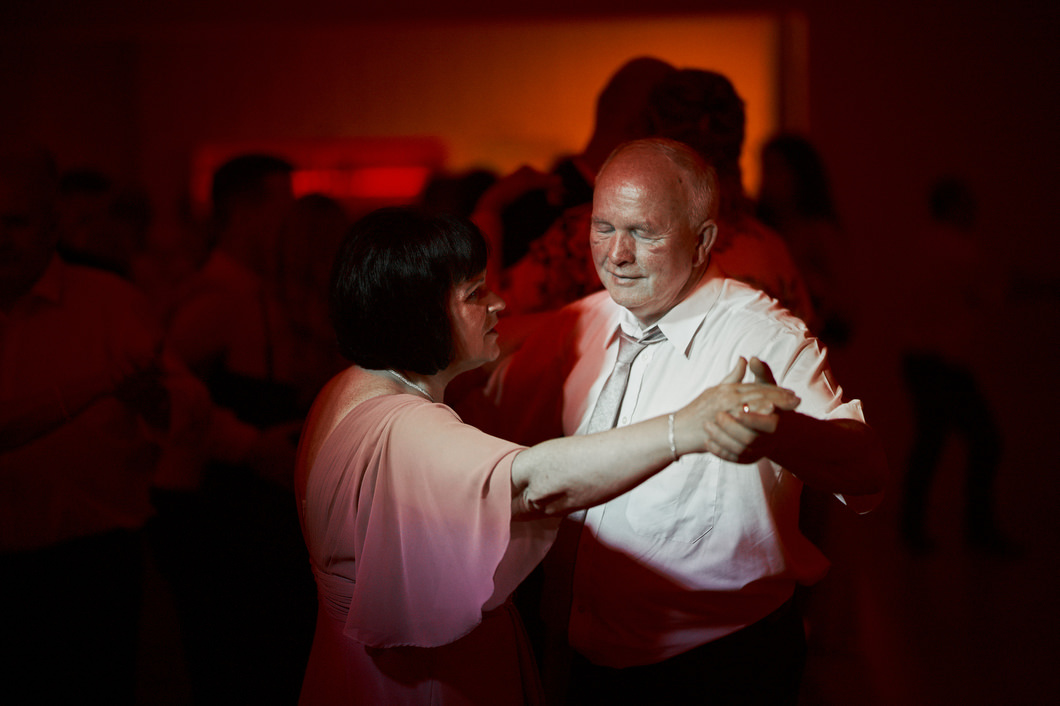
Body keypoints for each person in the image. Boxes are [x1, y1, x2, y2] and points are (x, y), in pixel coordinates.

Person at [294, 205, 802, 705]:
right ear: (419, 315)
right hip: (423, 686)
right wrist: (689, 426)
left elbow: (534, 330)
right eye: (475, 293)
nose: (499, 303)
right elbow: (531, 483)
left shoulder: (349, 387)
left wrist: (626, 308)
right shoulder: (406, 428)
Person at [467, 138, 887, 705]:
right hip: (587, 665)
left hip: (717, 669)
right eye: (603, 227)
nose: (616, 254)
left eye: (643, 232)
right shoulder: (584, 322)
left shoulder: (764, 337)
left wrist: (782, 433)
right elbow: (480, 384)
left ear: (703, 240)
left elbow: (867, 468)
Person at [0, 143, 186, 705]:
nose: (1, 238)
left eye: (15, 222)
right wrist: (97, 385)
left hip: (88, 568)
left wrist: (153, 400)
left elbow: (178, 409)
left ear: (52, 226)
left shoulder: (109, 302)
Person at [897, 176, 1009, 555]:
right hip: (941, 363)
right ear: (953, 207)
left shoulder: (924, 245)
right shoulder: (959, 249)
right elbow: (990, 293)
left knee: (933, 441)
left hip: (922, 360)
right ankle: (977, 530)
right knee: (983, 440)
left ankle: (914, 528)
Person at [756, 133, 854, 346]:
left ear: (800, 175)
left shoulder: (819, 233)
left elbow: (844, 305)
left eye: (776, 170)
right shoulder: (759, 232)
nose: (767, 179)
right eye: (765, 169)